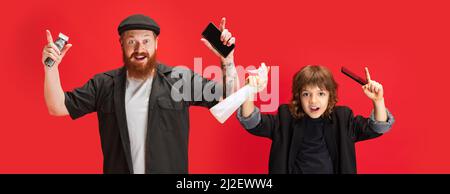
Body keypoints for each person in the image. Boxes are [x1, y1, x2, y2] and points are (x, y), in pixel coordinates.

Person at [42, 14, 239, 174]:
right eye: (131, 41)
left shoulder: (180, 80)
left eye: (146, 41)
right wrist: (51, 68)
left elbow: (230, 98)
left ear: (156, 43)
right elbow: (57, 106)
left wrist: (227, 60)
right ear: (121, 44)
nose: (139, 49)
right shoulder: (103, 84)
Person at [237, 65, 395, 174]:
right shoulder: (285, 117)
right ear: (299, 97)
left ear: (330, 96)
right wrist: (249, 92)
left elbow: (378, 127)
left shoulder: (343, 119)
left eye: (321, 94)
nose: (313, 101)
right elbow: (252, 122)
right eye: (306, 94)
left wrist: (378, 100)